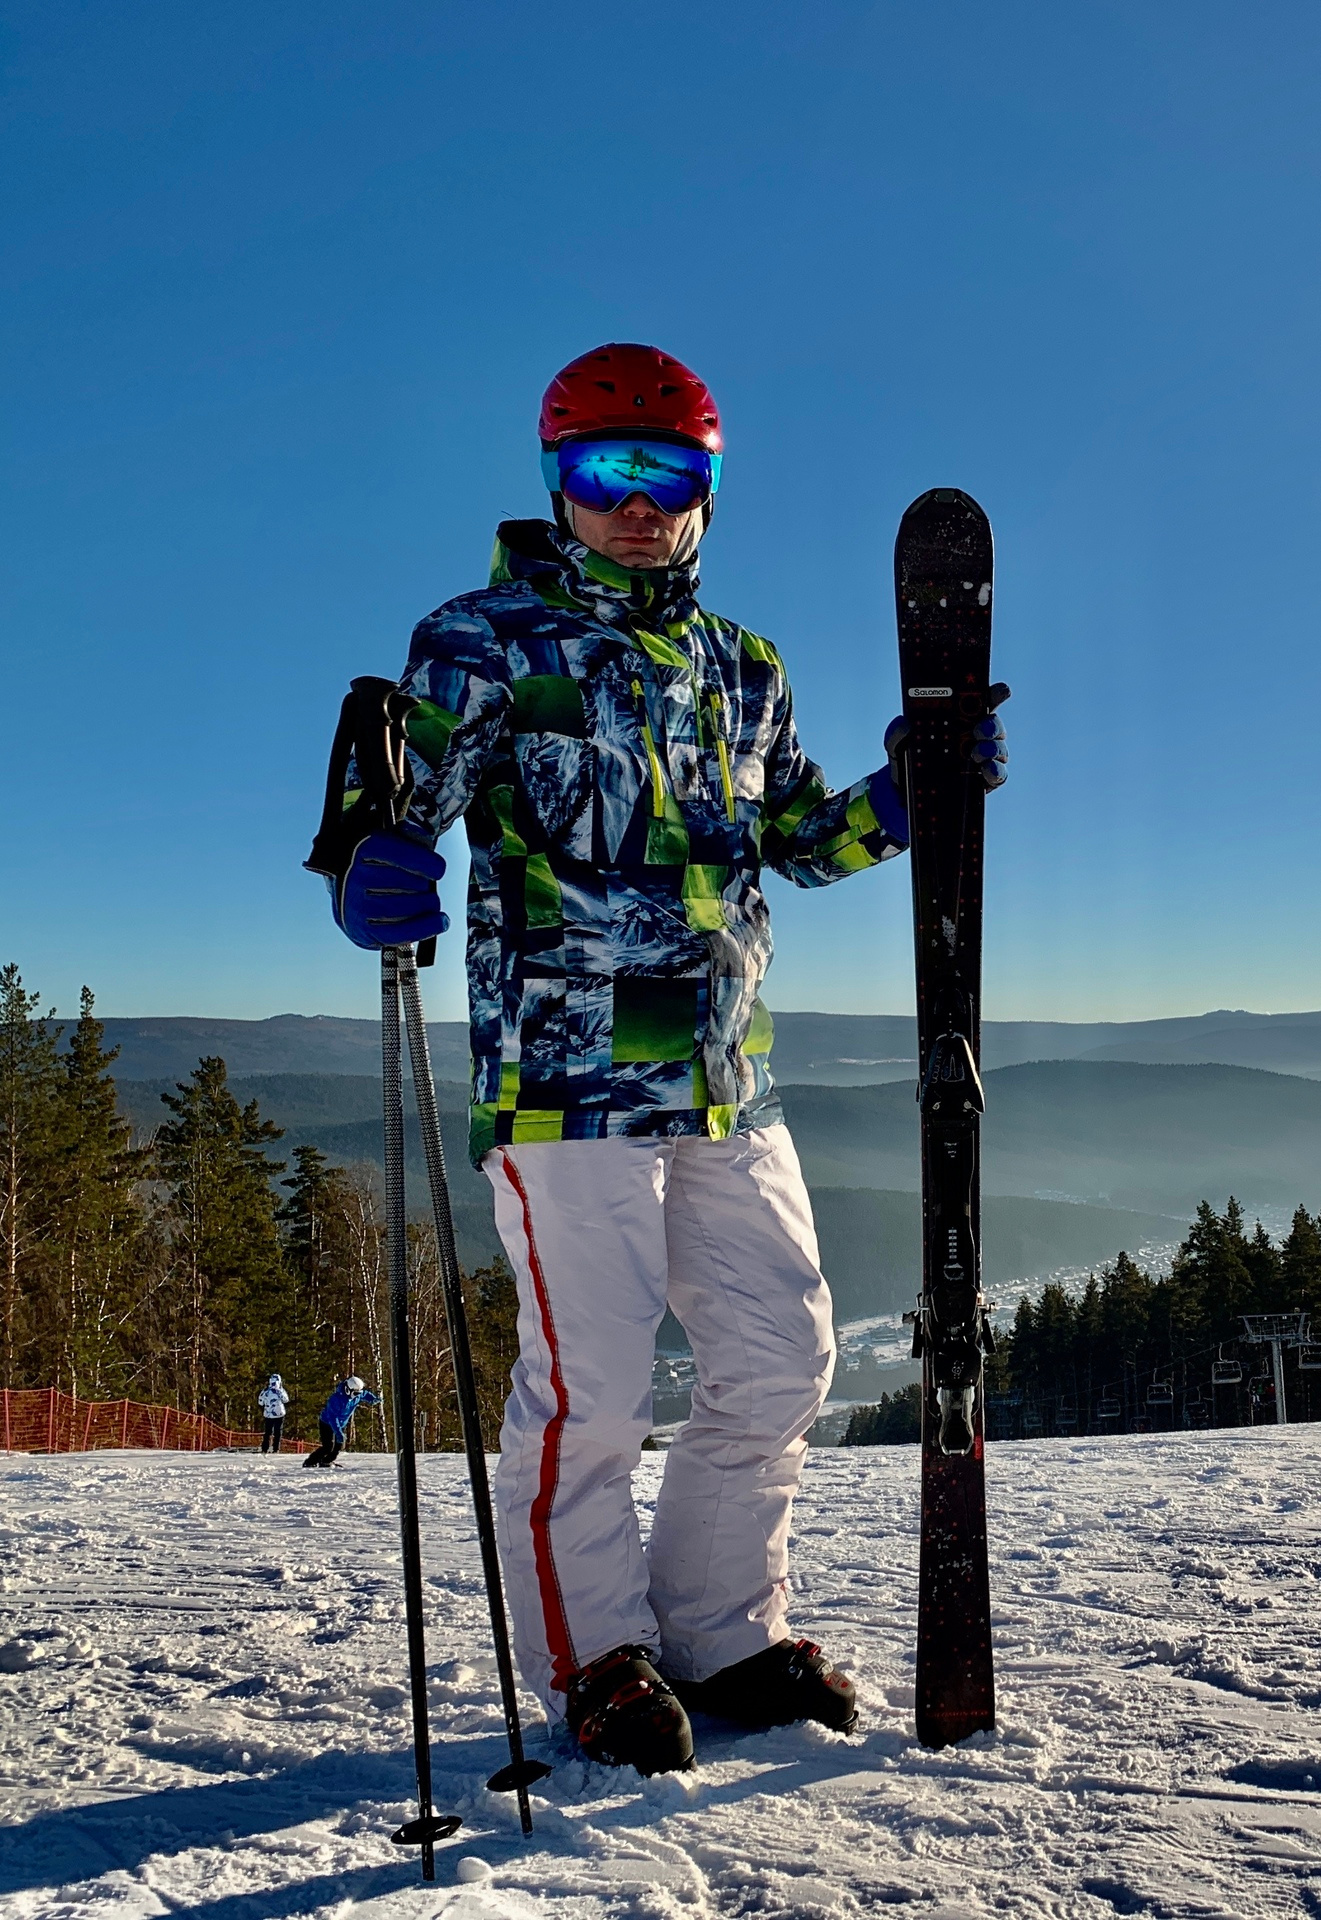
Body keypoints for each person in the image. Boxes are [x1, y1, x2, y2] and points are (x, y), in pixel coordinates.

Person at [317, 344, 1009, 1776]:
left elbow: (802, 843)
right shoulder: (484, 637)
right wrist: (367, 865)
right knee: (595, 1390)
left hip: (724, 1073)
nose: (639, 506)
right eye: (606, 474)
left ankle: (716, 1628)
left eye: (669, 476)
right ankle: (599, 1655)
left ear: (706, 490)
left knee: (782, 1358)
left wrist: (910, 787)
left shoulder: (742, 664)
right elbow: (404, 804)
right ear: (558, 482)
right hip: (566, 1081)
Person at [302, 1376, 379, 1468]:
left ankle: (326, 1461)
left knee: (338, 1446)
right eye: (355, 1393)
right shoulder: (336, 1399)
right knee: (328, 1446)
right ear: (348, 1390)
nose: (357, 1396)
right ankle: (310, 1462)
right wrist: (338, 1433)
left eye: (359, 1393)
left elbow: (364, 1394)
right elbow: (333, 1418)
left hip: (341, 1423)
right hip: (327, 1423)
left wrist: (373, 1399)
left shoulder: (357, 1395)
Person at [257, 1373, 289, 1454]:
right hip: (275, 1414)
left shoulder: (266, 1391)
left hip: (272, 1414)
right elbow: (286, 1400)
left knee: (270, 1432)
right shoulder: (279, 1391)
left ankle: (268, 1449)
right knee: (275, 1432)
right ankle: (273, 1449)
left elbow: (260, 1402)